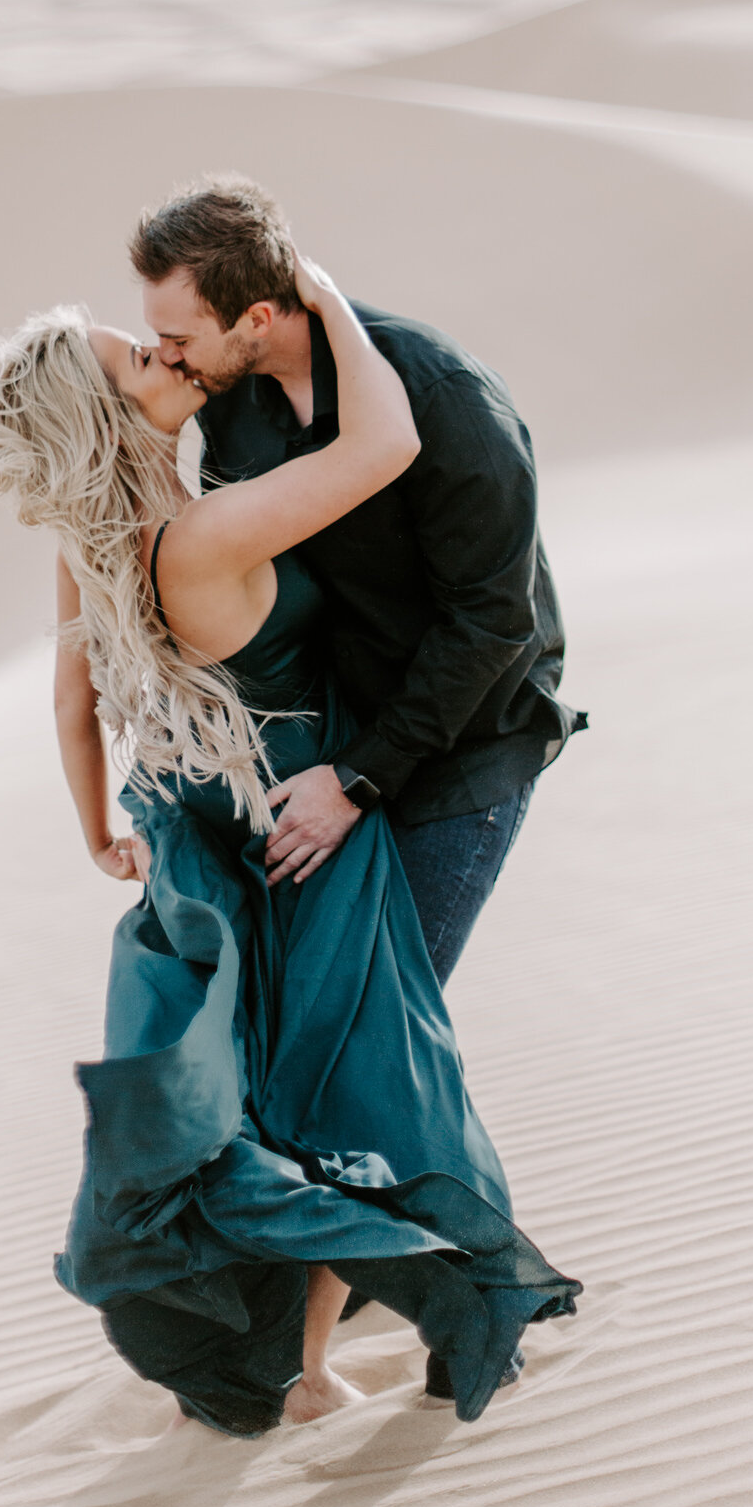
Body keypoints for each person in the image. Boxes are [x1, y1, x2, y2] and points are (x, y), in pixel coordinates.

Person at [0, 251, 581, 1437]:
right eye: (133, 357)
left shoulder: (91, 546)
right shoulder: (198, 538)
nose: (161, 352)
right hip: (317, 831)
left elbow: (68, 701)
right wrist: (320, 295)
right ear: (104, 416)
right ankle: (334, 1355)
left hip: (223, 839)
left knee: (296, 1093)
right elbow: (384, 448)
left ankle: (298, 1355)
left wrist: (95, 825)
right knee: (360, 1085)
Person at [132, 177, 586, 987]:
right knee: (297, 1013)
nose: (168, 356)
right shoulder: (229, 405)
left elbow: (493, 623)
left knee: (378, 1018)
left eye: (178, 337)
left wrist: (358, 778)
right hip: (331, 742)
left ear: (257, 320)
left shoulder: (444, 398)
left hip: (457, 749)